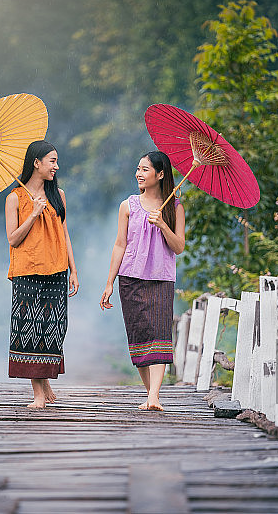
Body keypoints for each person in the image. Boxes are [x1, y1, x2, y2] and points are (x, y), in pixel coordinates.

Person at [100, 150, 185, 411]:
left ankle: (155, 396)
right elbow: (119, 245)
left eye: (145, 169)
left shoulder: (175, 207)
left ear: (160, 174)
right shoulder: (128, 205)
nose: (139, 173)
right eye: (138, 168)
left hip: (161, 278)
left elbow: (179, 246)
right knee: (139, 336)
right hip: (130, 278)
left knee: (159, 334)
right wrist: (109, 283)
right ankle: (151, 394)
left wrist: (163, 225)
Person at [5, 140, 79, 408]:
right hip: (27, 271)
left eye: (56, 161)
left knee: (54, 328)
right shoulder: (15, 198)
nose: (56, 166)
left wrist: (73, 269)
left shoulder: (58, 195)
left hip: (56, 270)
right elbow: (13, 239)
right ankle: (38, 394)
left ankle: (45, 382)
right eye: (51, 161)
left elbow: (65, 233)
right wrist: (33, 214)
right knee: (30, 329)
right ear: (36, 163)